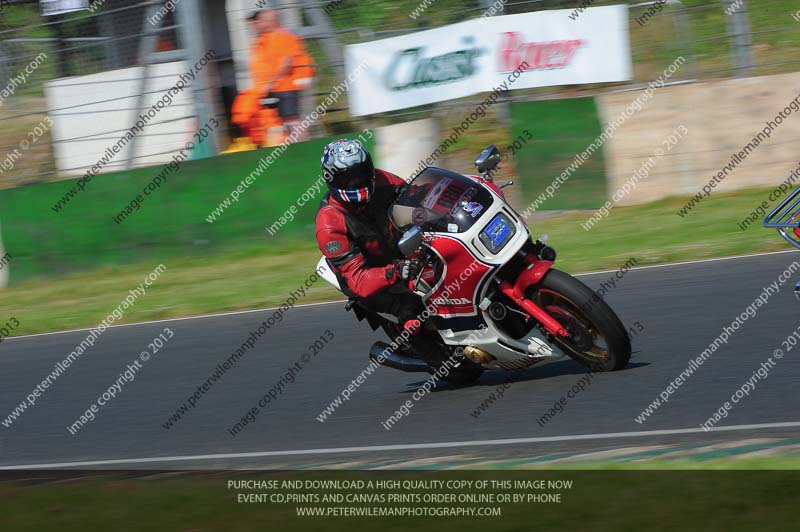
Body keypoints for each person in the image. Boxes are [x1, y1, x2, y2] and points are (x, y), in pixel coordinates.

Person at [315, 139, 425, 338]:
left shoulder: (382, 180)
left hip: (403, 253)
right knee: (413, 314)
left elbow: (416, 197)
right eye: (348, 178)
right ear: (331, 179)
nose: (356, 182)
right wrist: (395, 271)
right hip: (370, 279)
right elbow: (357, 279)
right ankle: (433, 354)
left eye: (361, 173)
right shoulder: (329, 224)